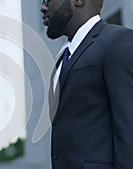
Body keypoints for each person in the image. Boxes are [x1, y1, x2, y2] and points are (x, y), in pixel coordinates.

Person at [41, 0, 133, 169]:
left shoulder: (117, 41)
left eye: (47, 0)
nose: (43, 7)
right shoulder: (62, 58)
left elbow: (129, 131)